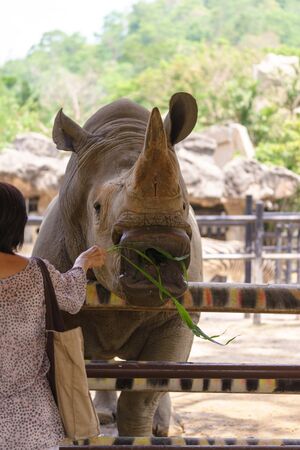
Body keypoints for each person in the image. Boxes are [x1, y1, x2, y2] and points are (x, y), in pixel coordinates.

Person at [0, 182, 106, 450]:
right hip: (32, 417)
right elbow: (71, 299)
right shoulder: (37, 272)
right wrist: (82, 264)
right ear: (17, 224)